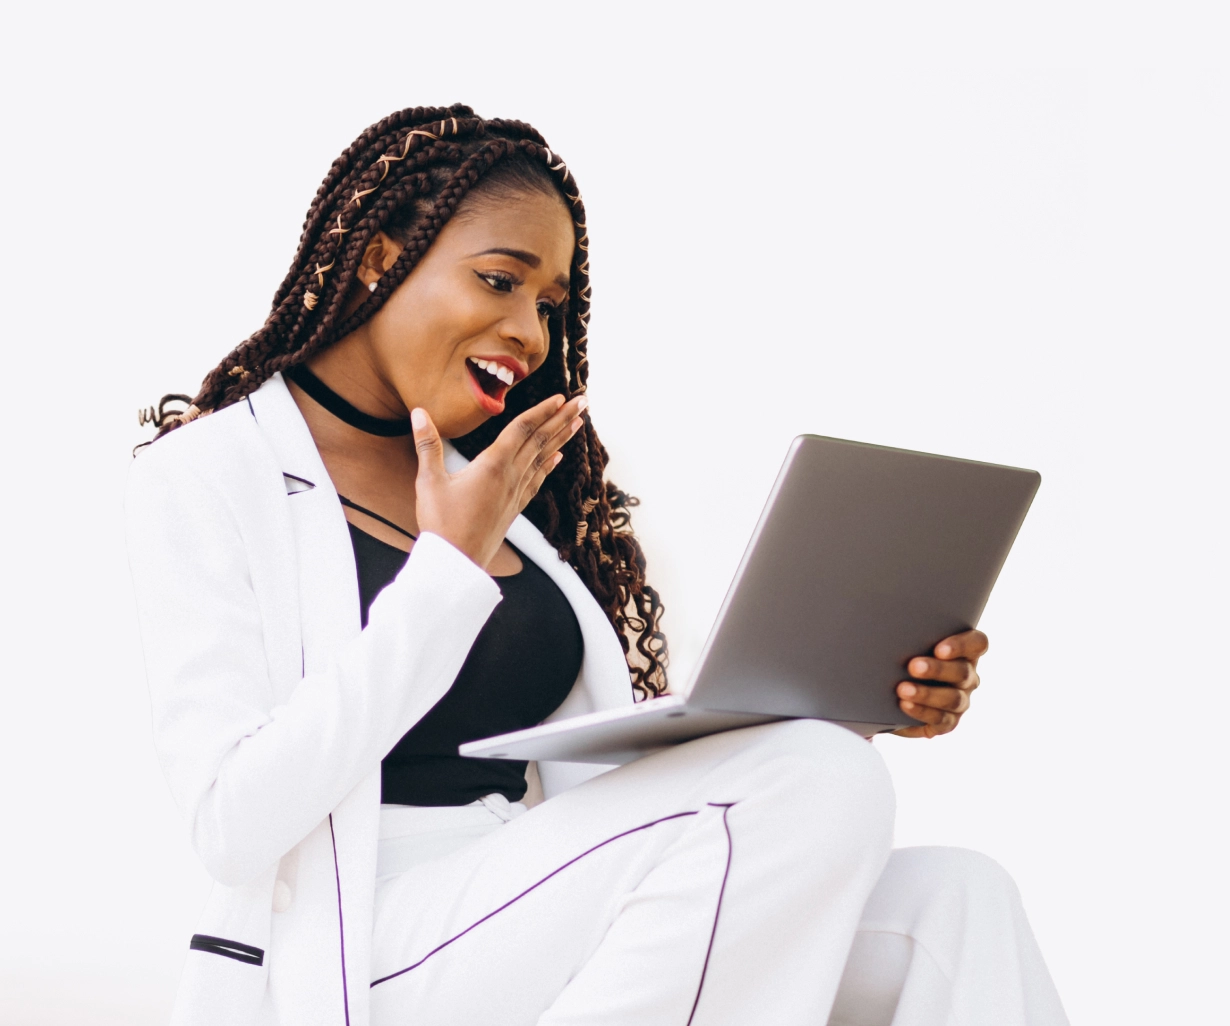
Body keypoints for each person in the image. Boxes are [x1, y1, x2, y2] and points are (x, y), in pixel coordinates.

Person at [125, 105, 1069, 1026]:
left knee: (955, 898)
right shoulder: (212, 477)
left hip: (535, 885)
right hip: (359, 937)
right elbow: (233, 825)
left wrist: (853, 696)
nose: (532, 335)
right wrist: (445, 571)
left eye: (547, 305)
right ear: (380, 258)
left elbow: (643, 786)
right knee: (821, 779)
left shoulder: (504, 489)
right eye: (500, 281)